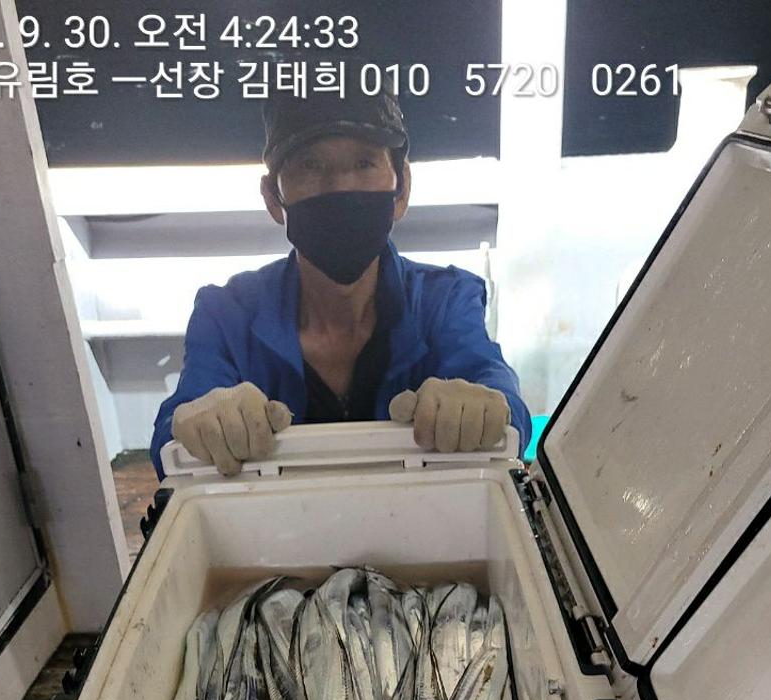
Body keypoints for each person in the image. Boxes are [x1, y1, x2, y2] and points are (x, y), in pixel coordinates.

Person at [150, 81, 532, 477]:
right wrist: (198, 420)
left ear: (401, 188)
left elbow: (503, 401)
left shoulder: (446, 299)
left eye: (364, 163)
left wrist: (486, 405)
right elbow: (172, 437)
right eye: (310, 166)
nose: (340, 187)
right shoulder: (225, 314)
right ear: (273, 198)